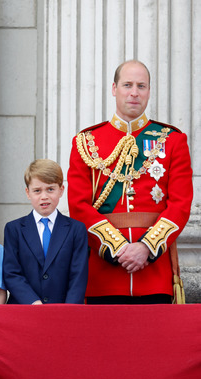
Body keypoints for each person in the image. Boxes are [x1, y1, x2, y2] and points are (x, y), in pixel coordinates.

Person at [67, 60, 192, 304]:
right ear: (114, 89)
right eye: (127, 85)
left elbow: (180, 204)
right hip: (104, 277)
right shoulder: (86, 141)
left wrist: (146, 247)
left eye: (141, 86)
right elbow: (79, 206)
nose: (134, 92)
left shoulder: (173, 140)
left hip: (154, 275)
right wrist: (118, 249)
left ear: (149, 91)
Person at [3, 160, 88, 304]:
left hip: (62, 311)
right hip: (24, 309)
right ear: (28, 192)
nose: (44, 196)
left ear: (61, 190)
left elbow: (78, 274)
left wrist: (69, 310)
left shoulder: (76, 229)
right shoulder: (14, 229)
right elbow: (11, 273)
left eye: (50, 189)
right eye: (37, 190)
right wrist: (33, 301)